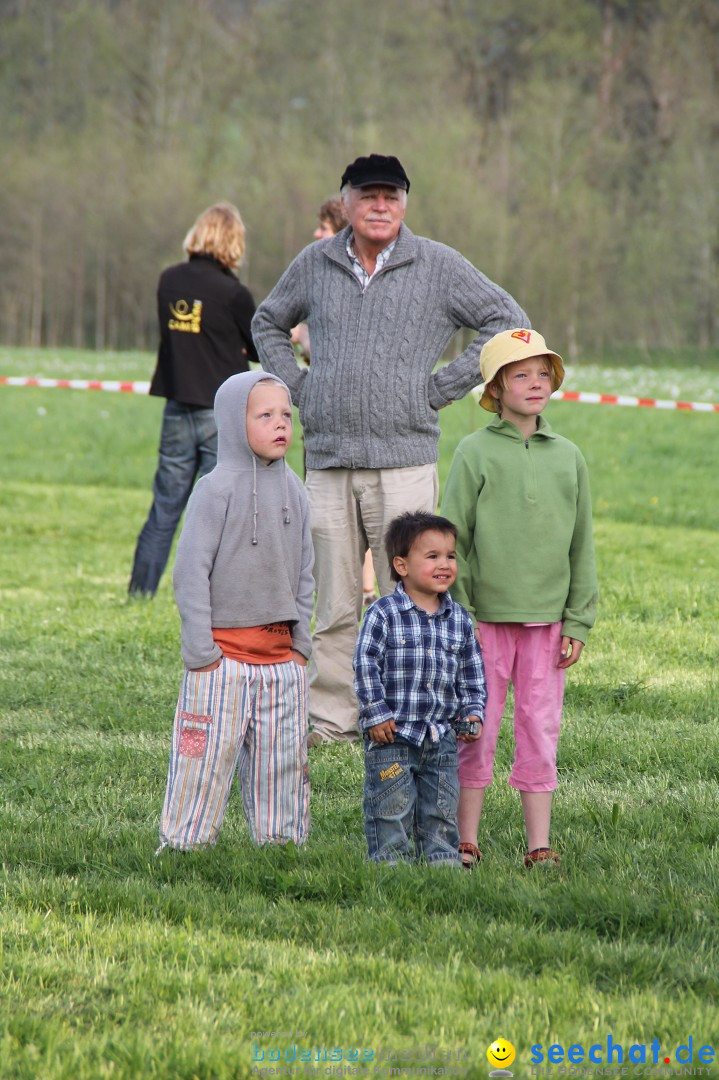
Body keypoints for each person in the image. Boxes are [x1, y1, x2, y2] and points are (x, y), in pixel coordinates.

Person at [252, 153, 528, 745]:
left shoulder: (437, 264)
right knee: (334, 603)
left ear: (405, 203)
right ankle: (331, 722)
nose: (381, 206)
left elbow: (506, 319)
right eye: (368, 195)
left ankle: (407, 718)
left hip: (404, 461)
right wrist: (300, 387)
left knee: (412, 601)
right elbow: (267, 322)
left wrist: (439, 389)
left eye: (392, 196)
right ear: (345, 202)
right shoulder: (316, 262)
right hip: (327, 461)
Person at [440, 328, 598, 868]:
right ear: (495, 388)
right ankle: (466, 839)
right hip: (482, 622)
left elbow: (583, 544)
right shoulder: (473, 451)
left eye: (542, 373)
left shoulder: (569, 456)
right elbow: (450, 538)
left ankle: (539, 845)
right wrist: (457, 614)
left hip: (549, 626)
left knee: (539, 729)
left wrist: (578, 620)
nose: (535, 383)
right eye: (520, 374)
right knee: (475, 729)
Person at [157, 370, 314, 851]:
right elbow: (190, 575)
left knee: (283, 763)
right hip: (219, 665)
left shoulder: (296, 490)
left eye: (285, 415)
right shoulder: (214, 490)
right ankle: (185, 844)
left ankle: (281, 847)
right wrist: (201, 651)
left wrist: (302, 648)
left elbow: (307, 572)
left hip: (281, 663)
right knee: (202, 758)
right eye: (264, 415)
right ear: (231, 421)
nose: (279, 424)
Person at [129, 202, 258, 597]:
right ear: (233, 242)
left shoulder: (169, 281)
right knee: (218, 515)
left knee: (165, 509)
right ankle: (210, 599)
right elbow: (255, 346)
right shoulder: (234, 293)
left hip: (176, 408)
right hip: (220, 414)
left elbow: (176, 342)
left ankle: (140, 594)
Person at [353, 511, 486, 865]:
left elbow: (471, 672)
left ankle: (441, 860)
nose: (444, 564)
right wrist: (375, 714)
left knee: (441, 806)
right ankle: (390, 862)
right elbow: (366, 666)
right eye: (432, 556)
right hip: (392, 736)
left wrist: (472, 711)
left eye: (450, 556)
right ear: (401, 565)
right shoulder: (383, 614)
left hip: (441, 736)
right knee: (390, 805)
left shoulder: (458, 618)